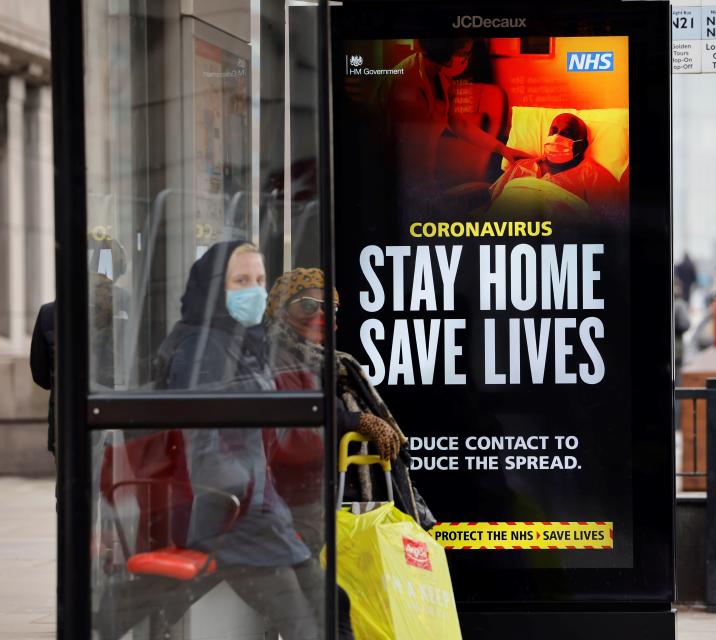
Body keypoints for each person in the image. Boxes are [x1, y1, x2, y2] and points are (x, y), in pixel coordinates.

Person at [155, 241, 344, 640]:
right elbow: (204, 452)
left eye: (259, 279)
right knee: (303, 625)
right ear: (214, 290)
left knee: (332, 607)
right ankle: (157, 605)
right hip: (232, 519)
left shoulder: (244, 343)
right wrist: (251, 496)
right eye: (241, 281)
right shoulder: (202, 349)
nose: (254, 291)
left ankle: (160, 605)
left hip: (262, 513)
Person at [264, 269, 432, 530]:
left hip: (337, 494)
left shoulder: (332, 363)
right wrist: (357, 420)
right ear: (281, 311)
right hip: (303, 500)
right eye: (309, 306)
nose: (321, 315)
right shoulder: (277, 359)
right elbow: (300, 416)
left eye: (330, 308)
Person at [378, 38, 528, 212]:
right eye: (463, 54)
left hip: (426, 184)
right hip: (401, 187)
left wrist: (502, 149)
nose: (465, 60)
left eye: (467, 54)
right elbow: (403, 149)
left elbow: (456, 121)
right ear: (444, 51)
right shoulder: (405, 80)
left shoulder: (441, 76)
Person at [488, 112, 623, 219]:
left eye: (566, 134)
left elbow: (616, 226)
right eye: (553, 131)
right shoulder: (521, 166)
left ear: (581, 145)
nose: (556, 137)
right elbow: (493, 205)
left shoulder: (594, 177)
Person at [30, 302, 56, 455]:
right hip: (116, 413)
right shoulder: (123, 302)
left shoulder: (48, 312)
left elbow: (40, 375)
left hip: (64, 421)